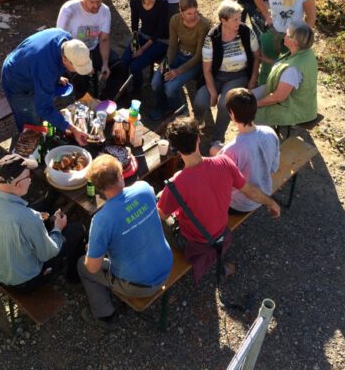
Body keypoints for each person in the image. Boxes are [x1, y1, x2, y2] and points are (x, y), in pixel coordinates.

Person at [157, 118, 280, 281]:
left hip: (193, 242)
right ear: (198, 139)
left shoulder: (175, 184)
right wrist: (271, 202)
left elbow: (163, 215)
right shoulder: (224, 162)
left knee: (157, 205)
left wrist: (160, 198)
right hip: (221, 232)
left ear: (176, 149)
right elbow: (249, 190)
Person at [78, 154, 173, 330]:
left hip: (139, 285)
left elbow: (93, 267)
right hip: (167, 266)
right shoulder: (144, 188)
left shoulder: (101, 220)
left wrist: (93, 249)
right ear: (121, 174)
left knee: (82, 266)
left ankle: (104, 314)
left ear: (99, 188)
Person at [0, 154, 85, 291]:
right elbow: (48, 253)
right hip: (21, 282)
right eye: (29, 177)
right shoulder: (29, 218)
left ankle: (50, 200)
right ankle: (73, 277)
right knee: (78, 230)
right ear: (19, 184)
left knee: (41, 207)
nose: (31, 180)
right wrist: (57, 228)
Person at [1, 28, 91, 144]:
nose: (77, 72)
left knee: (40, 109)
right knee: (31, 124)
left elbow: (51, 61)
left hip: (30, 65)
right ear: (65, 59)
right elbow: (44, 108)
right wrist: (73, 129)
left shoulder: (67, 40)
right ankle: (28, 153)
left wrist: (56, 77)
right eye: (76, 68)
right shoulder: (45, 69)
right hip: (15, 79)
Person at [193, 0, 262, 150]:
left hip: (238, 75)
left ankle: (217, 138)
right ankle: (199, 121)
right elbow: (207, 69)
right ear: (223, 20)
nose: (240, 21)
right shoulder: (211, 38)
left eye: (240, 17)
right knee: (200, 100)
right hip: (216, 75)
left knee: (225, 104)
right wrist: (212, 91)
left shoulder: (246, 32)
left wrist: (253, 78)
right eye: (235, 19)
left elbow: (257, 56)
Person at [56, 0, 128, 100]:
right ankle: (84, 106)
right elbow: (59, 39)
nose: (95, 5)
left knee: (120, 66)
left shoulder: (104, 11)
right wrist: (82, 64)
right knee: (80, 77)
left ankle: (105, 102)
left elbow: (104, 39)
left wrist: (105, 64)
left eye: (98, 2)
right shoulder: (69, 9)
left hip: (93, 48)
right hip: (73, 52)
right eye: (92, 2)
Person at [213, 88, 280, 214]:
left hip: (239, 205)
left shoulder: (231, 150)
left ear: (232, 114)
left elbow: (220, 183)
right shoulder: (270, 132)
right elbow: (273, 167)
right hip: (265, 191)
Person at [252, 0, 316, 84]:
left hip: (293, 35)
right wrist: (266, 15)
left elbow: (311, 17)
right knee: (267, 65)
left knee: (289, 68)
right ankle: (263, 93)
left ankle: (282, 94)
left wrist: (302, 40)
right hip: (273, 30)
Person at [150, 0, 211, 121]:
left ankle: (181, 110)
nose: (193, 16)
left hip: (195, 61)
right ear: (181, 12)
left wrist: (178, 71)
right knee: (156, 82)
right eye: (189, 13)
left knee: (170, 87)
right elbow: (172, 46)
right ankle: (163, 107)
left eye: (195, 12)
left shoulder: (203, 25)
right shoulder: (175, 20)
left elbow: (199, 55)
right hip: (179, 54)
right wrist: (166, 63)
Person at [253, 22, 318, 128]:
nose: (284, 35)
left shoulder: (292, 70)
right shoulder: (306, 52)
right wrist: (266, 59)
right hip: (294, 97)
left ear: (295, 42)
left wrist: (255, 105)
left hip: (293, 108)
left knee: (249, 115)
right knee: (247, 98)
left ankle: (264, 139)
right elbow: (285, 63)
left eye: (287, 34)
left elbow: (278, 97)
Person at [120, 0, 169, 96]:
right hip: (143, 35)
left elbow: (160, 31)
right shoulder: (135, 1)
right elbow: (135, 24)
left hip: (161, 40)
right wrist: (136, 43)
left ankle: (137, 92)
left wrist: (142, 49)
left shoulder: (162, 3)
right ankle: (122, 90)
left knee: (135, 65)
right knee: (125, 60)